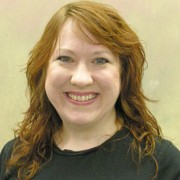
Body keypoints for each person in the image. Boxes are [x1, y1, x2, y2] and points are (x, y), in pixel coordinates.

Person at [0, 1, 180, 180]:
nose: (81, 79)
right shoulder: (14, 158)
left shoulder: (163, 166)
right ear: (44, 68)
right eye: (65, 58)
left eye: (100, 60)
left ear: (123, 73)